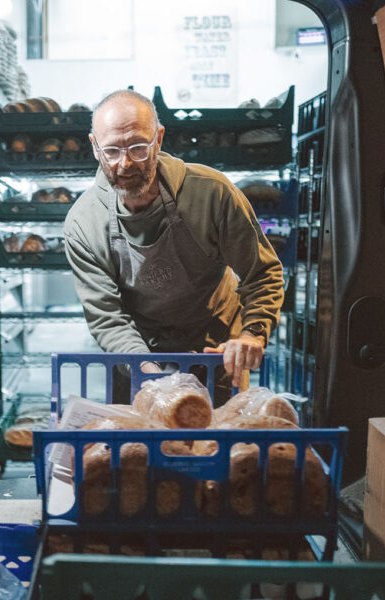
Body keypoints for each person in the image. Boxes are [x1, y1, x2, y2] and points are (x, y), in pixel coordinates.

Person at [63, 89, 284, 404]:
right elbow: (107, 316)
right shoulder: (84, 223)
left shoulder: (212, 194)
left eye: (138, 147)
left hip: (214, 354)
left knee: (216, 448)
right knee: (142, 450)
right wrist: (146, 371)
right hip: (137, 358)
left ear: (159, 138)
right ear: (95, 147)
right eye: (112, 151)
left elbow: (262, 273)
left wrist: (252, 333)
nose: (125, 164)